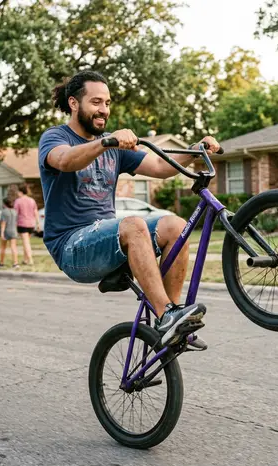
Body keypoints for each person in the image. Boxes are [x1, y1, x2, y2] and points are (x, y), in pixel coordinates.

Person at [38, 70, 221, 348]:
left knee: (176, 227)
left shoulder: (113, 145)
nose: (104, 110)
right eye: (96, 102)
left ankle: (170, 320)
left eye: (108, 103)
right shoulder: (55, 138)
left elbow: (160, 167)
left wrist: (196, 150)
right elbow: (65, 161)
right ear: (74, 104)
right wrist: (103, 143)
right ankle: (166, 315)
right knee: (134, 223)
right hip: (72, 246)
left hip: (108, 240)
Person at [14, 184, 39, 265]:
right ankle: (25, 260)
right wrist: (38, 223)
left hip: (22, 224)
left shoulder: (18, 201)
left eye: (18, 191)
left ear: (20, 192)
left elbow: (15, 214)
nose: (17, 193)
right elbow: (36, 212)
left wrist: (14, 225)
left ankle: (30, 259)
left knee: (26, 242)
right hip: (31, 224)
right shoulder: (32, 200)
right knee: (26, 242)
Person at [0, 197, 19, 269]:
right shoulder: (15, 211)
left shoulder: (4, 212)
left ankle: (1, 263)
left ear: (4, 203)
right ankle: (15, 263)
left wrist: (2, 233)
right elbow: (16, 222)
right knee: (13, 247)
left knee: (3, 247)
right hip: (14, 231)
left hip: (6, 231)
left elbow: (3, 223)